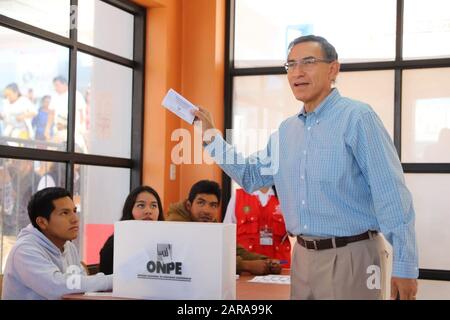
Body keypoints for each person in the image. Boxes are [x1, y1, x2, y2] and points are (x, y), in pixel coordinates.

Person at [194, 35, 419, 300]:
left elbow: (391, 193)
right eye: (290, 65)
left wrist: (405, 266)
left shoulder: (358, 118)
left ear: (333, 69)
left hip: (353, 256)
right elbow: (252, 176)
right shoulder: (286, 131)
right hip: (301, 256)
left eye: (308, 62)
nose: (297, 72)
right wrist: (211, 137)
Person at [1, 187, 112, 299]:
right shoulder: (24, 250)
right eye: (64, 213)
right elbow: (57, 287)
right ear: (42, 222)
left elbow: (81, 285)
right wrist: (113, 280)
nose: (75, 219)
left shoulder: (69, 246)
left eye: (74, 211)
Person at [166, 180, 282, 275]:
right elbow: (202, 259)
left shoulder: (210, 224)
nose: (207, 210)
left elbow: (233, 249)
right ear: (188, 205)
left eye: (213, 205)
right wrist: (246, 266)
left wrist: (267, 261)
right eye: (201, 202)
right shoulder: (176, 224)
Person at [99, 185, 165, 275]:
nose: (148, 211)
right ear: (130, 209)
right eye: (141, 205)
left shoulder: (166, 240)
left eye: (154, 206)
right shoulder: (114, 243)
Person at [224, 186, 291, 268]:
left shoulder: (287, 197)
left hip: (280, 265)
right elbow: (226, 235)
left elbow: (297, 230)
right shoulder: (238, 196)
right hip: (247, 267)